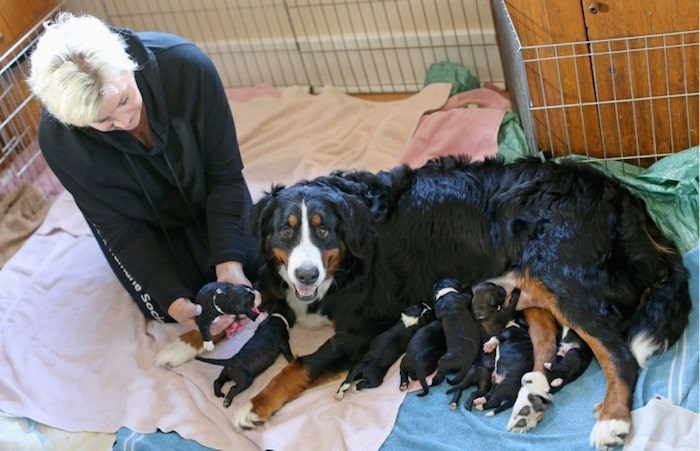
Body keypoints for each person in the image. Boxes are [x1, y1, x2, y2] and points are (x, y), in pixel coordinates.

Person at [27, 12, 261, 335]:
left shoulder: (188, 68)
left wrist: (230, 264)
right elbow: (119, 230)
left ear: (127, 63)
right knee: (176, 305)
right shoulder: (59, 141)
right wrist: (175, 303)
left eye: (124, 100)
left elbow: (224, 176)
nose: (124, 121)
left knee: (252, 266)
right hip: (139, 223)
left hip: (207, 192)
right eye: (104, 122)